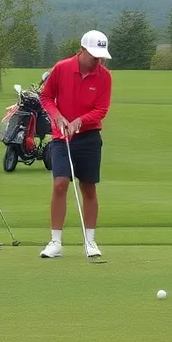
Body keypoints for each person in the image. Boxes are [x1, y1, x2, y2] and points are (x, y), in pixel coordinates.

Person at [37, 30, 113, 259]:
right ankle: (55, 242)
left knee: (88, 187)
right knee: (60, 183)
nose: (98, 60)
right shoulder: (61, 68)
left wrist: (80, 121)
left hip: (89, 137)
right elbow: (46, 97)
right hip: (62, 137)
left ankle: (90, 242)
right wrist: (58, 117)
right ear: (82, 50)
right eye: (94, 55)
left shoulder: (104, 76)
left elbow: (101, 109)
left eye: (101, 56)